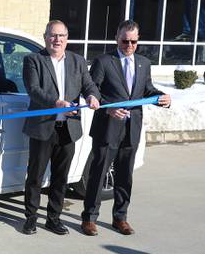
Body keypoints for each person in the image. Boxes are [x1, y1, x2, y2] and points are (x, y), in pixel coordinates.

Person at [81, 19, 171, 236]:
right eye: (124, 41)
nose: (128, 45)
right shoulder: (104, 61)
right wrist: (107, 108)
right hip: (107, 127)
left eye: (133, 42)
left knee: (125, 176)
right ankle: (89, 218)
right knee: (98, 174)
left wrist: (161, 97)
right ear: (116, 38)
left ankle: (120, 217)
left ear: (138, 41)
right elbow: (92, 91)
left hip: (132, 128)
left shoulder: (143, 63)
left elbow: (146, 89)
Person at [21, 20, 100, 236]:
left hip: (68, 128)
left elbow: (89, 85)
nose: (57, 40)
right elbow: (34, 90)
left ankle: (53, 218)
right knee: (35, 176)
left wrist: (93, 96)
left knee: (61, 177)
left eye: (61, 36)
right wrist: (56, 102)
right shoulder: (33, 60)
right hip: (43, 127)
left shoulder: (78, 61)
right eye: (53, 35)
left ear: (67, 38)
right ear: (45, 37)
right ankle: (30, 217)